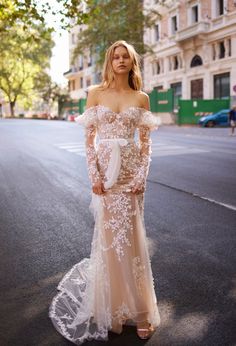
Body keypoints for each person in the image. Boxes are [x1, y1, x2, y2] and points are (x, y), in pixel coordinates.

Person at [49, 40, 160, 344]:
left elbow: (146, 144)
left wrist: (142, 177)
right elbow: (89, 142)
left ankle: (140, 312)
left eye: (126, 57)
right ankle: (113, 309)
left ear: (132, 62)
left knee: (134, 240)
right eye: (116, 57)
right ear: (110, 62)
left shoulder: (141, 98)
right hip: (106, 179)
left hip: (131, 177)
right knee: (111, 242)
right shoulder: (95, 94)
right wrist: (93, 176)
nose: (120, 61)